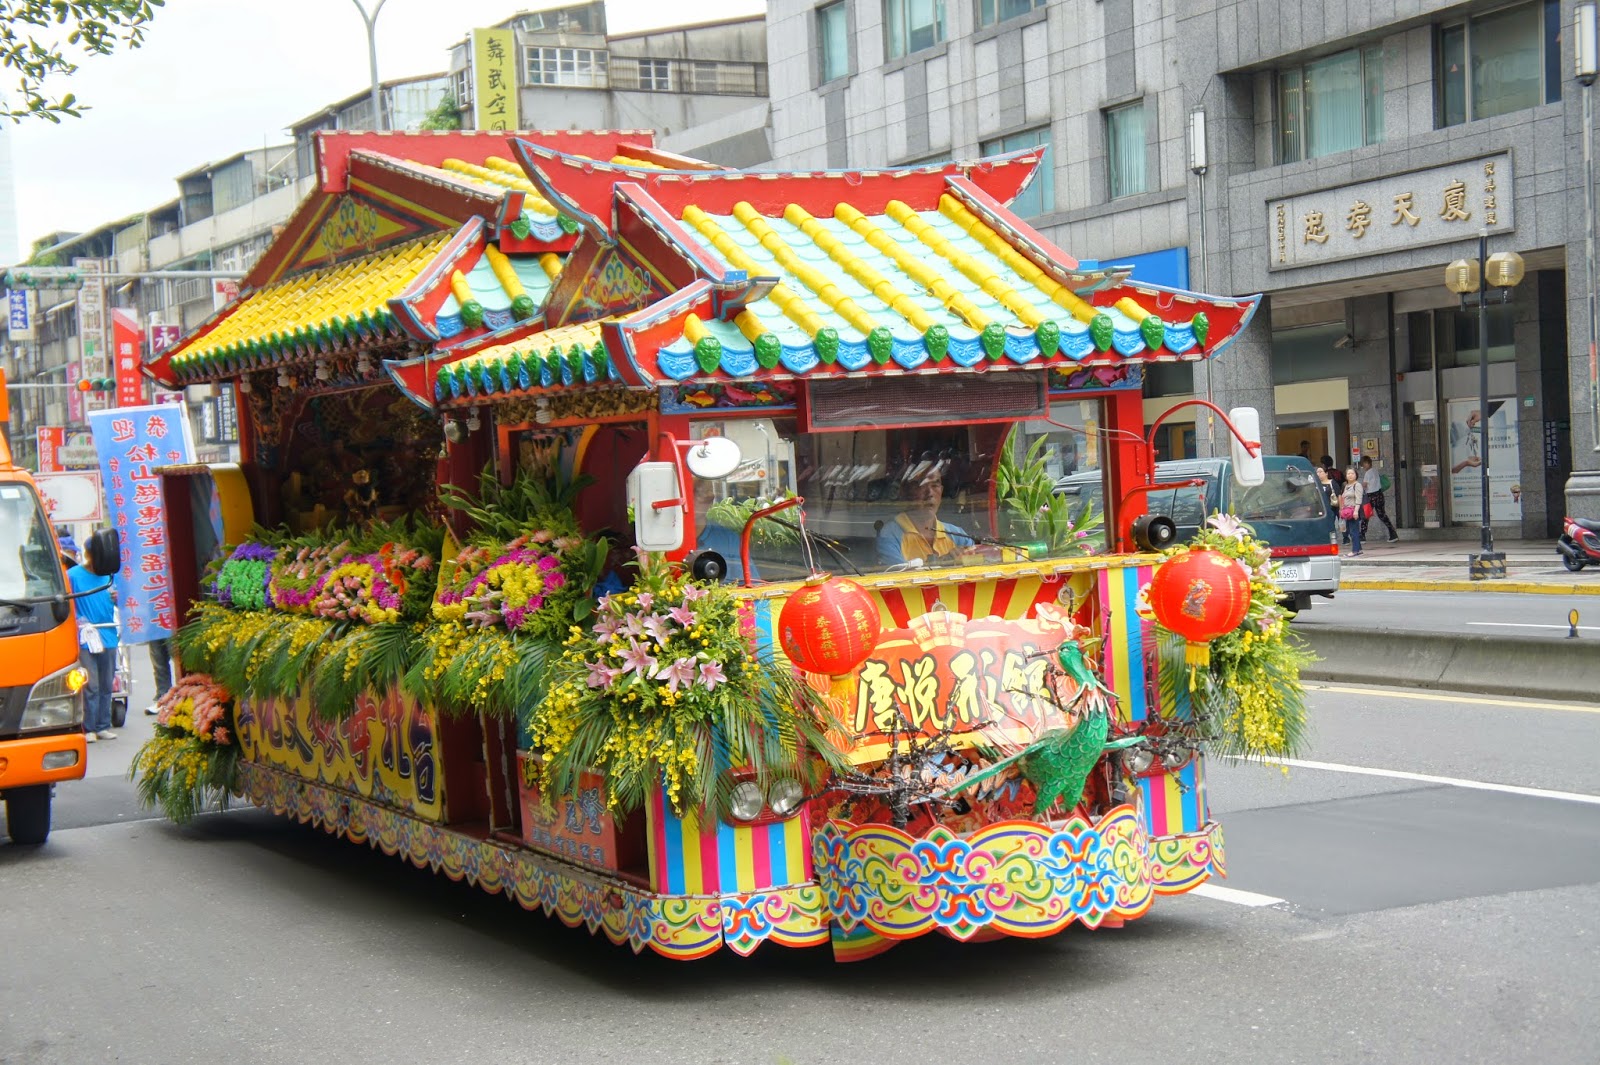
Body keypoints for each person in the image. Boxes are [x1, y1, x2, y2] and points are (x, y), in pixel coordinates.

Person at [67, 542, 119, 742]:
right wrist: (79, 620)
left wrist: (117, 598)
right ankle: (88, 727)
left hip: (108, 634)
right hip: (86, 636)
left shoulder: (109, 575)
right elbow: (68, 603)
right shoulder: (73, 576)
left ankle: (103, 725)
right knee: (92, 684)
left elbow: (119, 600)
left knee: (106, 683)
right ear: (88, 554)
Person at [876, 467, 974, 567]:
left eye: (935, 485)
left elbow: (978, 562)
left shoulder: (957, 535)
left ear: (941, 491)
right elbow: (898, 574)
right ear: (905, 492)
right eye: (922, 485)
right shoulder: (889, 535)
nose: (930, 493)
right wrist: (945, 563)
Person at [1358, 456, 1398, 543]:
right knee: (1382, 514)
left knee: (1366, 515)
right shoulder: (1375, 471)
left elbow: (1365, 485)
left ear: (1367, 463)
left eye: (1363, 465)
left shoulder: (1367, 473)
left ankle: (1362, 535)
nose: (1363, 467)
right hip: (1379, 495)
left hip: (1370, 496)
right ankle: (1392, 532)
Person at [1338, 468, 1366, 557]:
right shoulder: (1346, 485)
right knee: (1351, 531)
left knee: (1354, 531)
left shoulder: (1357, 485)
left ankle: (1355, 551)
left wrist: (1356, 511)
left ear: (1356, 475)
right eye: (1348, 474)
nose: (1350, 475)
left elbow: (1359, 499)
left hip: (1353, 510)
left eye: (1352, 473)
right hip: (1347, 511)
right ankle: (1359, 549)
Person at [143, 637, 173, 715]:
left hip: (173, 630)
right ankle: (163, 699)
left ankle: (186, 698)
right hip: (154, 630)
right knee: (158, 661)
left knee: (180, 660)